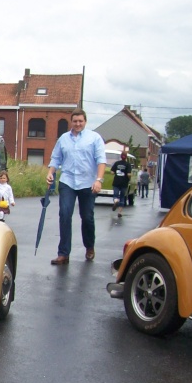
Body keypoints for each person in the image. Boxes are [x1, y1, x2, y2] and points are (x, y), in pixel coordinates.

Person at [46, 108, 106, 265]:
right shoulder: (63, 139)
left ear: (85, 122)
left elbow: (101, 160)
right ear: (71, 122)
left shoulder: (94, 138)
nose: (78, 124)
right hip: (68, 181)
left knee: (87, 217)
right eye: (75, 121)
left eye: (80, 121)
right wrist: (51, 172)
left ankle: (89, 246)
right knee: (65, 214)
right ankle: (63, 253)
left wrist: (99, 180)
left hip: (88, 183)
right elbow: (56, 158)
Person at [110, 149, 132, 218]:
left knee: (115, 195)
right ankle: (119, 212)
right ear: (126, 157)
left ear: (121, 156)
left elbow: (112, 172)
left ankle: (116, 201)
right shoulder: (128, 165)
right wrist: (130, 176)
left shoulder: (116, 163)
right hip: (124, 183)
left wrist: (116, 172)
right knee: (122, 197)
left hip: (116, 182)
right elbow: (128, 174)